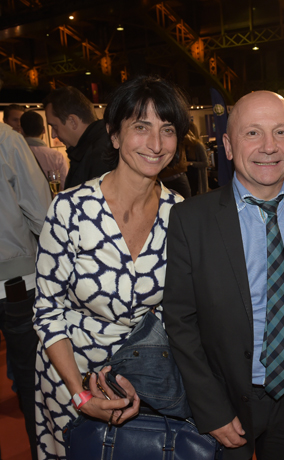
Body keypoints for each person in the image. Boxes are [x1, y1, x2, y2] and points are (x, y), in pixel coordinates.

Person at [163, 91, 284, 460]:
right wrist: (212, 407)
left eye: (281, 132)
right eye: (252, 133)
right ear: (227, 145)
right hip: (225, 398)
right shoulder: (191, 220)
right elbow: (180, 321)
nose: (269, 147)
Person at [33, 75, 190, 459]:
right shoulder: (70, 210)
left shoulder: (181, 213)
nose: (155, 144)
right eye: (141, 127)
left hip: (144, 381)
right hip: (70, 379)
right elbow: (48, 310)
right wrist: (81, 393)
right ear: (114, 135)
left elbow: (180, 309)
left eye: (167, 129)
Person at [0, 73, 51, 460]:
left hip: (14, 279)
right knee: (32, 380)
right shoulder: (6, 139)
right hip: (15, 281)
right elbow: (40, 212)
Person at [43, 86, 113, 189]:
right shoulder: (90, 149)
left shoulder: (100, 155)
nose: (53, 135)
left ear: (72, 121)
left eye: (54, 126)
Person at [20, 110, 69, 190]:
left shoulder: (15, 155)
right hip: (53, 201)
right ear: (44, 130)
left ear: (21, 130)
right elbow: (66, 186)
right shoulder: (56, 156)